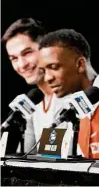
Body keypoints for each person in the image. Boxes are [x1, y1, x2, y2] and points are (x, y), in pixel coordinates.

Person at [38, 29, 99, 158]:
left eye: (54, 67)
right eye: (43, 71)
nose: (47, 78)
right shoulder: (64, 108)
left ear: (80, 64)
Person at [2, 18, 66, 153]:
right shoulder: (32, 104)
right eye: (14, 58)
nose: (21, 64)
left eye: (27, 53)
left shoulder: (75, 96)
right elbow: (25, 161)